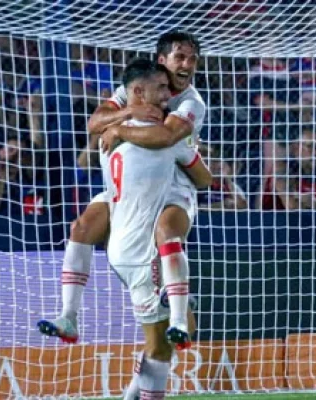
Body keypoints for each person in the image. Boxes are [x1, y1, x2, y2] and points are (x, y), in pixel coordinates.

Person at [38, 31, 205, 351]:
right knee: (82, 226)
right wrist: (127, 112)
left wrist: (117, 129)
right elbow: (94, 121)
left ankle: (180, 316)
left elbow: (165, 138)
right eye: (180, 57)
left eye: (192, 58)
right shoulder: (136, 90)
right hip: (128, 189)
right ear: (162, 60)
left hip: (172, 189)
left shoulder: (191, 103)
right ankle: (68, 317)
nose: (188, 64)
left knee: (167, 230)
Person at [104, 59, 212, 400]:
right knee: (167, 341)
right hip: (142, 251)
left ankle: (131, 393)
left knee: (174, 334)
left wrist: (118, 126)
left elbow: (90, 147)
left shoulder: (106, 138)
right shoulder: (164, 136)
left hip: (120, 243)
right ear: (139, 92)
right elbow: (206, 179)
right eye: (161, 89)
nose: (169, 95)